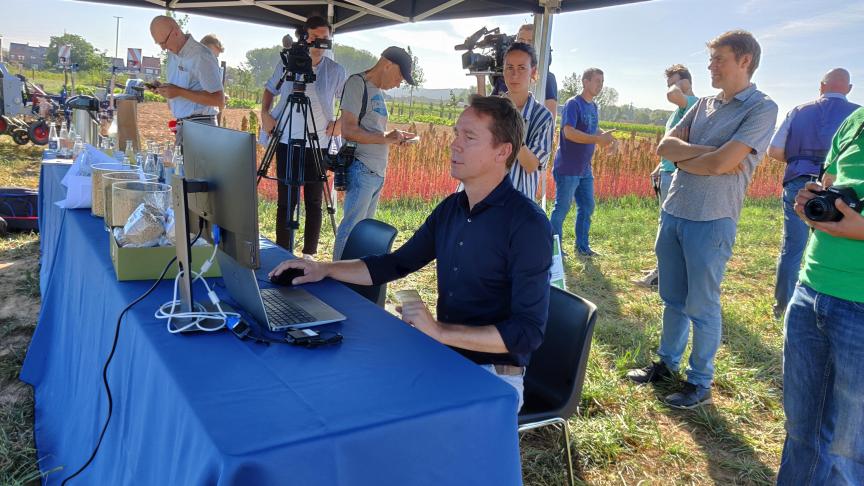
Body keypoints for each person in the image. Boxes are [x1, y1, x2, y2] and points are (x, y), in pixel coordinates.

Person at [270, 95, 553, 411]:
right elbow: (396, 264)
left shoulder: (527, 224)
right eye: (457, 133)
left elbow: (527, 333)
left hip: (493, 378)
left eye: (469, 137)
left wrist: (441, 332)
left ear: (503, 151)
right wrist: (325, 268)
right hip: (445, 356)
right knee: (350, 393)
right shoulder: (452, 209)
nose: (454, 144)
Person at [626, 30, 778, 409]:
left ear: (744, 61)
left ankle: (699, 382)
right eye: (710, 60)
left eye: (718, 59)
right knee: (672, 298)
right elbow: (667, 147)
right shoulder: (704, 104)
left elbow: (725, 164)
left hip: (713, 219)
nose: (710, 66)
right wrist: (708, 156)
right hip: (674, 211)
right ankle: (666, 364)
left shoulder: (761, 108)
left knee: (702, 304)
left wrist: (697, 157)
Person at [777, 106, 864, 485]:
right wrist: (811, 198)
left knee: (852, 453)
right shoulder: (855, 121)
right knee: (802, 433)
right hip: (811, 291)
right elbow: (830, 179)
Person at [767, 68, 858, 319]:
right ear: (848, 89)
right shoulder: (857, 116)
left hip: (799, 183)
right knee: (830, 245)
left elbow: (774, 150)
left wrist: (799, 160)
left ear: (821, 86)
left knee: (792, 247)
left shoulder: (799, 110)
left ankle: (784, 307)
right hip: (839, 189)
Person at [260, 16, 346, 259]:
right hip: (285, 139)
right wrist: (264, 114)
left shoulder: (335, 70)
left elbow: (349, 101)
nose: (320, 43)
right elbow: (269, 89)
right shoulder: (287, 62)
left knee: (314, 201)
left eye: (325, 39)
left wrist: (340, 123)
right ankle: (281, 253)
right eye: (315, 37)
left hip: (318, 143)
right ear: (304, 37)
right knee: (286, 201)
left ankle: (308, 255)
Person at [331, 46, 416, 260]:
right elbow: (348, 129)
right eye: (400, 77)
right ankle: (336, 279)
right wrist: (386, 138)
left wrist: (394, 137)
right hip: (362, 168)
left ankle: (353, 281)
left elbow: (374, 131)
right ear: (387, 64)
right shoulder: (356, 83)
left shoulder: (377, 93)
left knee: (363, 234)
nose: (399, 83)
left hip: (376, 171)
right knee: (351, 230)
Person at [634, 64, 700, 287]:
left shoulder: (692, 104)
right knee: (665, 224)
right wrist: (659, 167)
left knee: (668, 227)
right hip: (667, 171)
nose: (669, 88)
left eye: (673, 81)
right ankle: (662, 268)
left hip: (675, 176)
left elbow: (673, 94)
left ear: (686, 82)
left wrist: (677, 87)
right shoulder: (678, 111)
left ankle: (661, 275)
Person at [549, 68, 616, 257]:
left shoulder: (594, 106)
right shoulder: (573, 104)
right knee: (561, 209)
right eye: (597, 81)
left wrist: (607, 138)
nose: (600, 85)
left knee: (587, 206)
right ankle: (554, 250)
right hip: (568, 167)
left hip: (584, 168)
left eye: (602, 82)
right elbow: (568, 132)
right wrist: (597, 140)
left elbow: (593, 129)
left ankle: (582, 247)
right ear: (585, 82)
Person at [148, 16, 224, 142]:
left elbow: (218, 100)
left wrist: (179, 92)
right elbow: (179, 90)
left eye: (163, 42)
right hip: (183, 126)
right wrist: (164, 89)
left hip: (202, 127)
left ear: (176, 32)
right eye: (159, 44)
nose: (162, 48)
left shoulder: (201, 56)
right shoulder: (172, 55)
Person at [499, 42, 554, 201]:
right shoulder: (493, 108)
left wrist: (510, 127)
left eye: (522, 68)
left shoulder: (543, 117)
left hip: (518, 204)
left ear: (533, 72)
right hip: (485, 198)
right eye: (509, 68)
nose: (514, 75)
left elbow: (530, 165)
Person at [477, 23, 558, 116]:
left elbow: (550, 118)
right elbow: (484, 112)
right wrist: (480, 78)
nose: (525, 45)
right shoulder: (504, 78)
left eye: (530, 42)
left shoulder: (547, 78)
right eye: (521, 41)